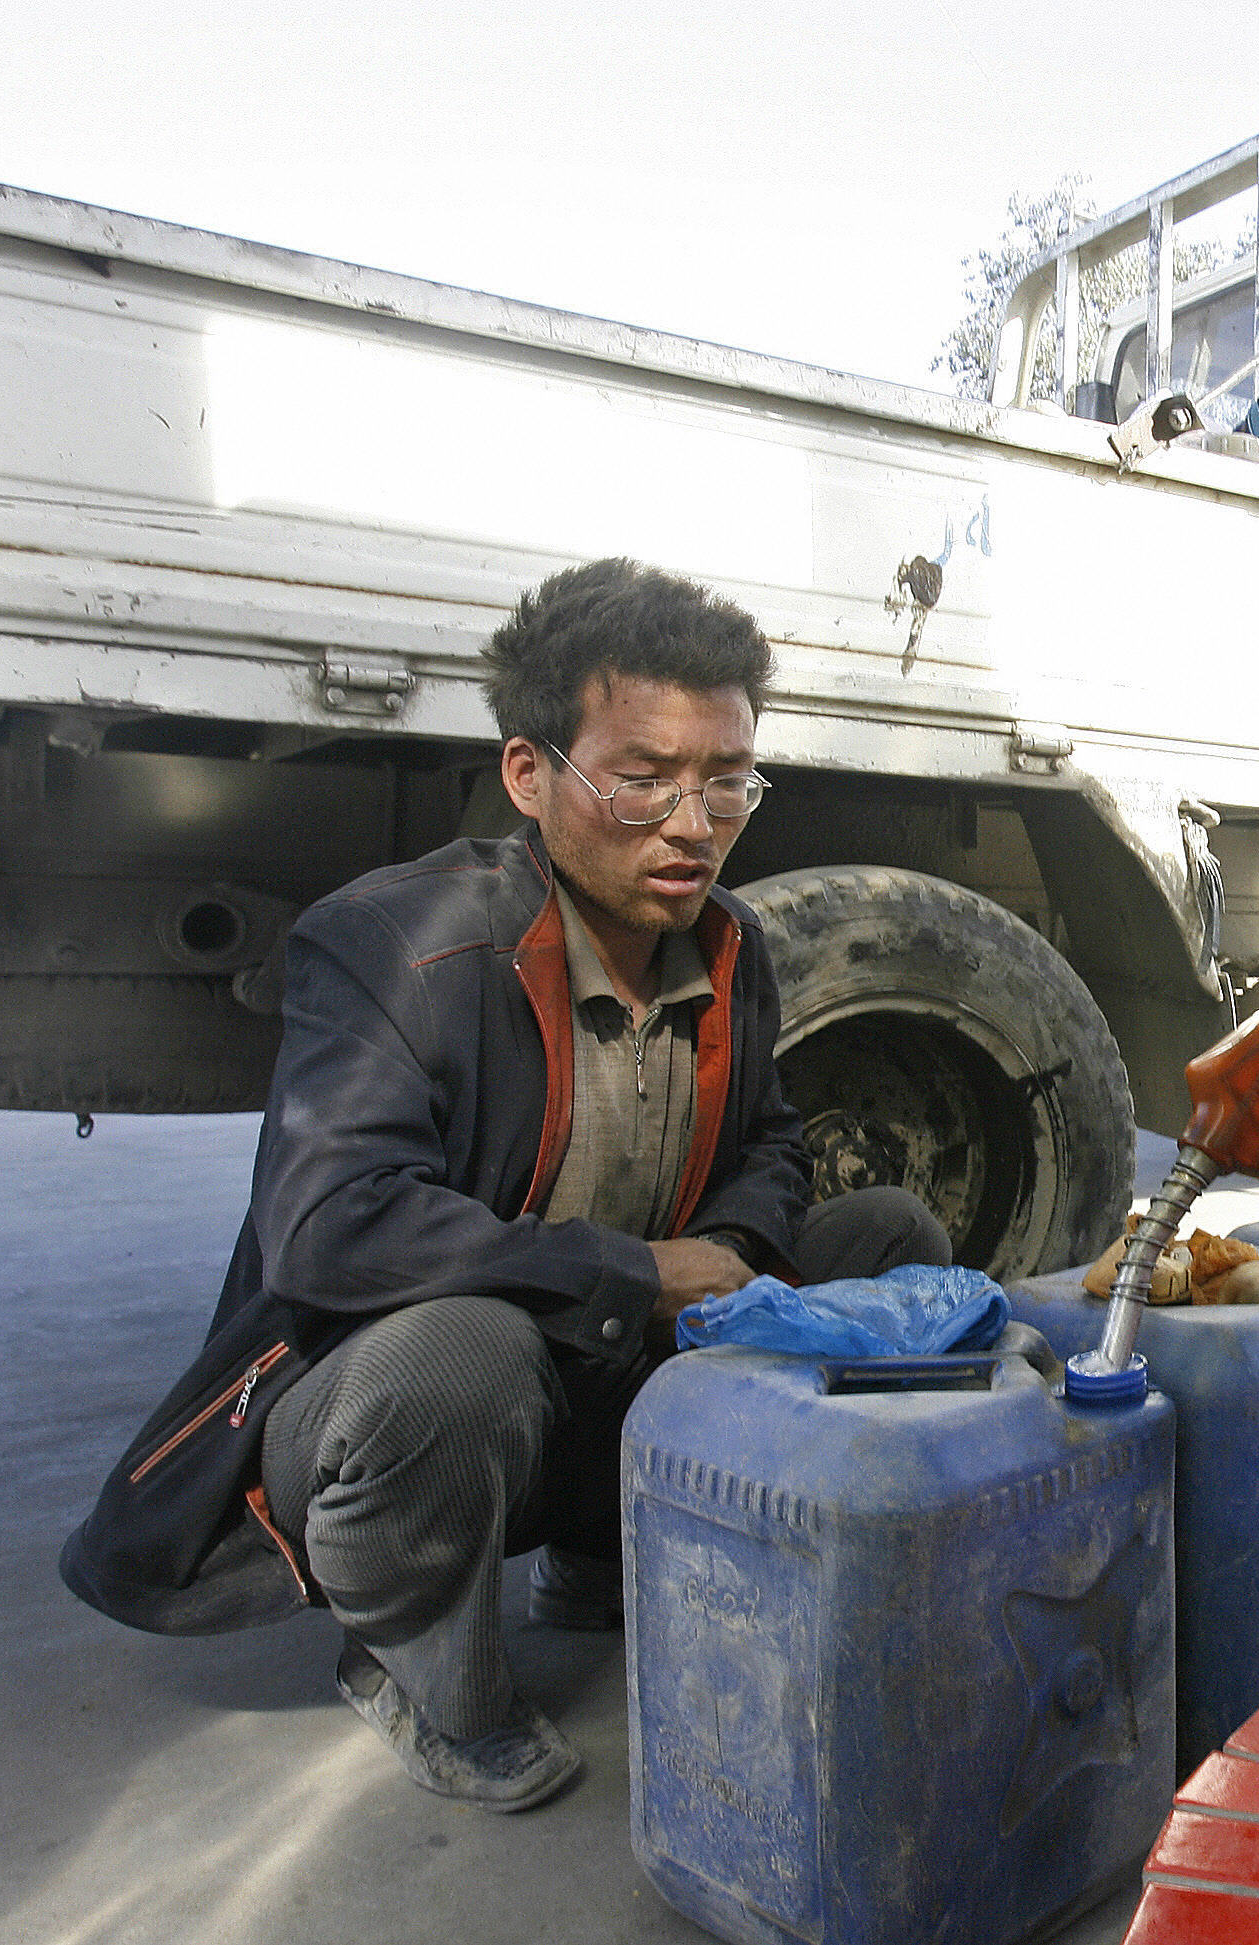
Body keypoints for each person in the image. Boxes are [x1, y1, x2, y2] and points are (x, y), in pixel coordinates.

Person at [59, 558, 951, 1810]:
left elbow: (771, 1142)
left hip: (612, 1358)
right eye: (641, 779)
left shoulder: (729, 942)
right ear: (530, 774)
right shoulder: (393, 944)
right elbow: (330, 1227)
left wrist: (730, 1258)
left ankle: (612, 1548)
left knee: (891, 1239)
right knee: (459, 1354)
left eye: (723, 782)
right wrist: (638, 1273)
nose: (691, 825)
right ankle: (421, 1664)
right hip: (424, 1394)